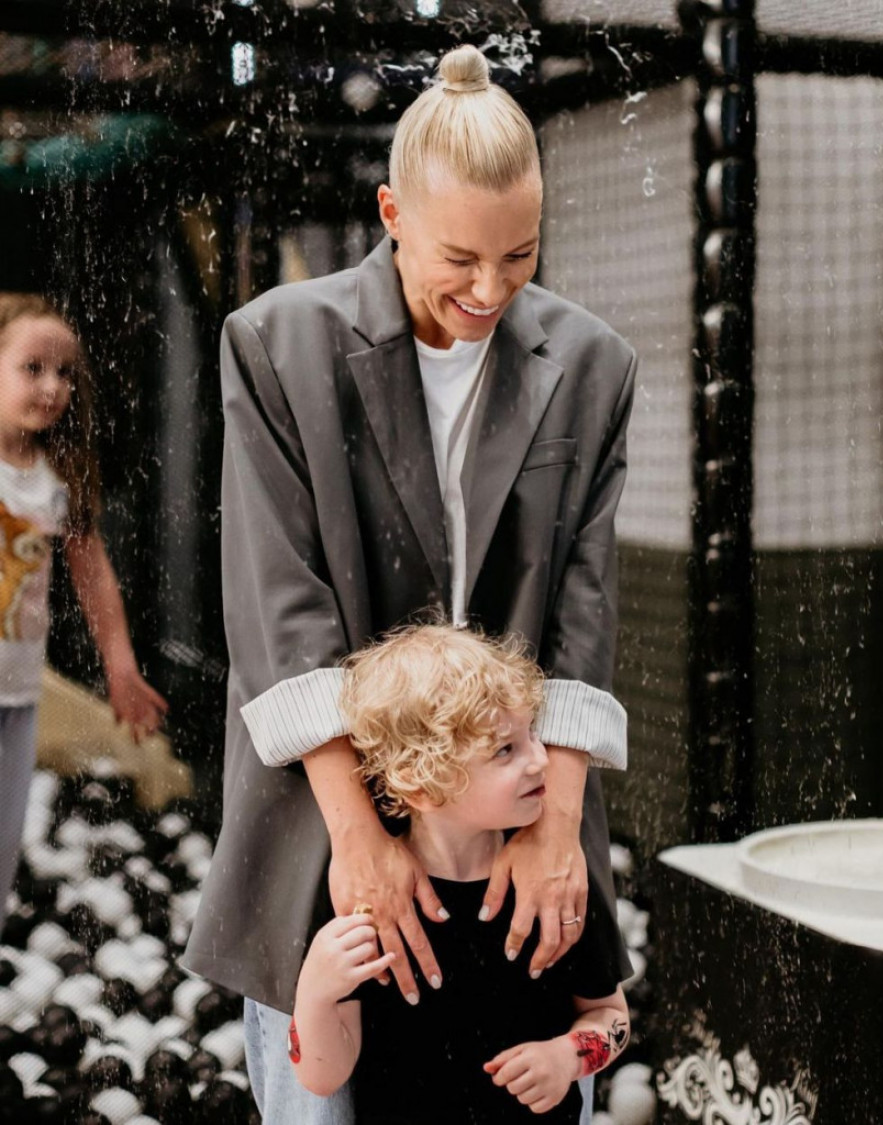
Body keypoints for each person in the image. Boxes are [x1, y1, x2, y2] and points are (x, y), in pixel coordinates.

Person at [183, 42, 637, 1125]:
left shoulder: (594, 365)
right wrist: (357, 837)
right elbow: (279, 606)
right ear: (391, 213)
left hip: (518, 807)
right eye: (459, 258)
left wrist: (556, 823)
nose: (489, 290)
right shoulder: (276, 344)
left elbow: (583, 605)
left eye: (520, 255)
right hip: (322, 804)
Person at [292, 623, 631, 1125]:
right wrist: (314, 994)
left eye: (533, 733)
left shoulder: (554, 888)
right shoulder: (373, 902)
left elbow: (612, 1017)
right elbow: (322, 1077)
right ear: (423, 784)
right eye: (505, 750)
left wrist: (567, 1058)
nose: (541, 759)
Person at [0, 293, 168, 930]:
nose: (52, 387)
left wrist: (120, 668)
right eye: (32, 368)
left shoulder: (55, 476)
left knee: (3, 846)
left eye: (65, 372)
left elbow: (93, 576)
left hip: (18, 694)